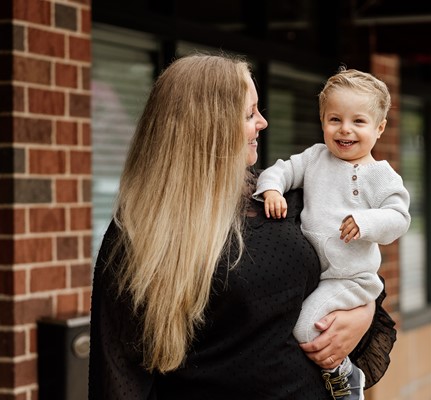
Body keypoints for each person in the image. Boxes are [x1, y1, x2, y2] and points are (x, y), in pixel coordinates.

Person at [88, 53, 397, 400]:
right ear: (209, 127)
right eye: (250, 113)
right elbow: (118, 373)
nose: (263, 122)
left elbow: (353, 272)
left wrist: (363, 314)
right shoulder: (135, 235)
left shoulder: (282, 200)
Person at [254, 67, 411, 399]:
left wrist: (367, 222)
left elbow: (399, 218)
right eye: (335, 119)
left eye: (358, 121)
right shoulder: (315, 158)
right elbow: (281, 170)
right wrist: (272, 191)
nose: (345, 130)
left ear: (379, 128)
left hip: (350, 279)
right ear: (322, 120)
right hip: (317, 277)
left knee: (305, 328)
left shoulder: (382, 176)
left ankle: (346, 376)